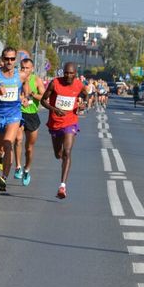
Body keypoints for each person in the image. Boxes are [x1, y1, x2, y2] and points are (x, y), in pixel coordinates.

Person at [0, 47, 30, 192]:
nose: (9, 62)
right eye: (6, 59)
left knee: (8, 143)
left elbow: (26, 92)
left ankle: (3, 177)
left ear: (15, 60)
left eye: (12, 59)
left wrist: (25, 99)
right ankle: (1, 157)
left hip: (14, 115)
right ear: (2, 60)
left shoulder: (21, 76)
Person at [41, 62, 88, 199]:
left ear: (75, 74)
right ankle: (62, 157)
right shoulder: (55, 83)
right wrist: (54, 109)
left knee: (67, 152)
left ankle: (62, 186)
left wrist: (83, 104)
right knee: (58, 154)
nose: (68, 75)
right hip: (55, 123)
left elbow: (86, 95)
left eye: (71, 73)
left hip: (70, 122)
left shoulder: (79, 84)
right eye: (66, 73)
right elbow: (43, 101)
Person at [13, 58, 45, 186]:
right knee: (18, 140)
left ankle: (27, 169)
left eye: (27, 68)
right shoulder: (16, 78)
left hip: (32, 115)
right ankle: (18, 167)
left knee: (29, 148)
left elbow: (44, 96)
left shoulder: (36, 80)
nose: (25, 70)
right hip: (18, 113)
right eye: (22, 68)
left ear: (32, 69)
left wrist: (32, 94)